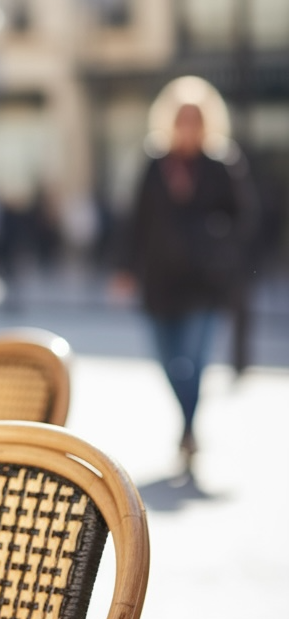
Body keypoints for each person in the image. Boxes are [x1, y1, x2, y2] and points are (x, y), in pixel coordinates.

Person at [113, 76, 257, 468]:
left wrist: (215, 241)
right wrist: (124, 268)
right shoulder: (154, 163)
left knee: (194, 360)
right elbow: (135, 221)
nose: (188, 126)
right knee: (168, 360)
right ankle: (188, 423)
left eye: (195, 119)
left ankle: (189, 431)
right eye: (182, 118)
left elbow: (244, 220)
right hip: (159, 282)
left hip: (204, 282)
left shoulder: (222, 164)